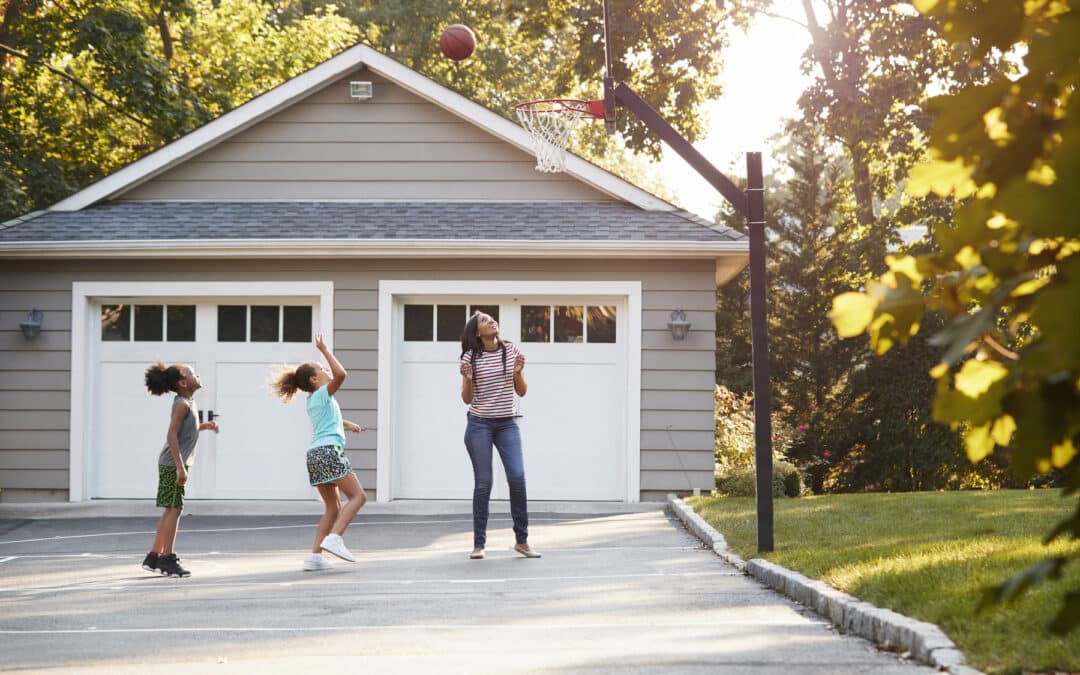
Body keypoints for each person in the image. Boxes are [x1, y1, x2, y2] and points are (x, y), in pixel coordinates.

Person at [272, 334, 367, 571]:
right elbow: (342, 375)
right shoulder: (323, 393)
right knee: (358, 497)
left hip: (314, 455)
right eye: (322, 369)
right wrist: (324, 350)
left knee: (333, 508)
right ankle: (335, 538)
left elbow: (330, 420)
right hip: (327, 452)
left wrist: (348, 424)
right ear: (315, 379)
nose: (327, 370)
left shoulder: (314, 399)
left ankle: (315, 556)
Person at [459, 311, 541, 560]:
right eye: (484, 321)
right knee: (484, 483)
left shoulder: (510, 350)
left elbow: (522, 392)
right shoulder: (470, 356)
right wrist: (468, 378)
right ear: (477, 332)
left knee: (517, 477)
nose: (491, 321)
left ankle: (522, 541)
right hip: (479, 424)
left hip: (507, 423)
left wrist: (518, 372)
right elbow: (467, 399)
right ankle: (478, 544)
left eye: (492, 318)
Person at [142, 362, 219, 578]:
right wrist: (179, 468)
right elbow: (171, 435)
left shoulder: (188, 402)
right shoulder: (182, 404)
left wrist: (204, 426)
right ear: (184, 382)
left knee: (171, 509)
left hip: (175, 463)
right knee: (174, 510)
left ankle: (154, 556)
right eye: (194, 373)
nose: (198, 375)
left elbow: (187, 431)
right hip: (172, 464)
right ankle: (167, 558)